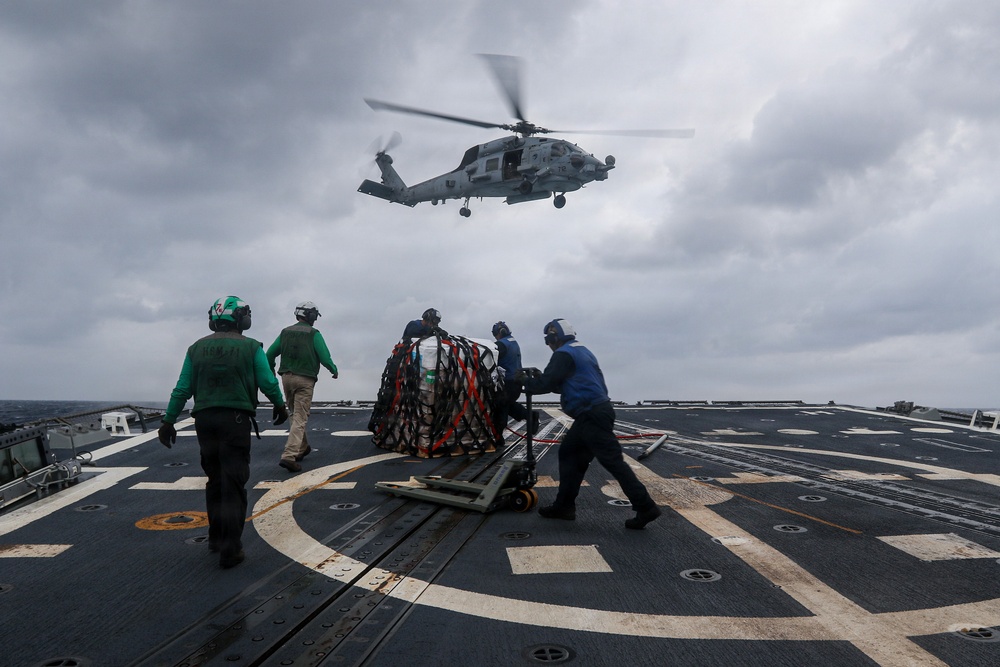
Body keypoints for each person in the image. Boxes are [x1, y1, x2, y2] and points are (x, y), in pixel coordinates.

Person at [158, 296, 289, 569]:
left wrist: (169, 420)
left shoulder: (196, 348)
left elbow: (183, 387)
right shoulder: (251, 347)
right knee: (234, 483)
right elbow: (267, 381)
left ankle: (216, 537)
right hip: (235, 420)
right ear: (242, 319)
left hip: (204, 421)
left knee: (214, 479)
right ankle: (231, 548)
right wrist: (279, 404)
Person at [519, 318, 661, 530]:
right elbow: (567, 382)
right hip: (594, 413)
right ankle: (564, 506)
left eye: (549, 339)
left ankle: (646, 506)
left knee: (614, 463)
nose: (548, 345)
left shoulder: (563, 354)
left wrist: (523, 381)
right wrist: (543, 379)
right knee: (569, 454)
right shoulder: (582, 350)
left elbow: (546, 384)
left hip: (591, 415)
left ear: (554, 338)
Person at [266, 301, 339, 473]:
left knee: (294, 413)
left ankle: (302, 447)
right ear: (311, 316)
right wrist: (333, 370)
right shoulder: (314, 334)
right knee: (300, 416)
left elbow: (269, 354)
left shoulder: (285, 332)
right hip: (305, 379)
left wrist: (271, 370)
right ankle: (289, 455)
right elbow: (324, 356)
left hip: (286, 378)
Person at [492, 321, 539, 435]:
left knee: (500, 406)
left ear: (500, 333)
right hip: (516, 382)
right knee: (508, 404)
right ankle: (530, 415)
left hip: (507, 383)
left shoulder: (501, 345)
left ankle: (497, 436)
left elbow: (490, 359)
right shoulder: (513, 342)